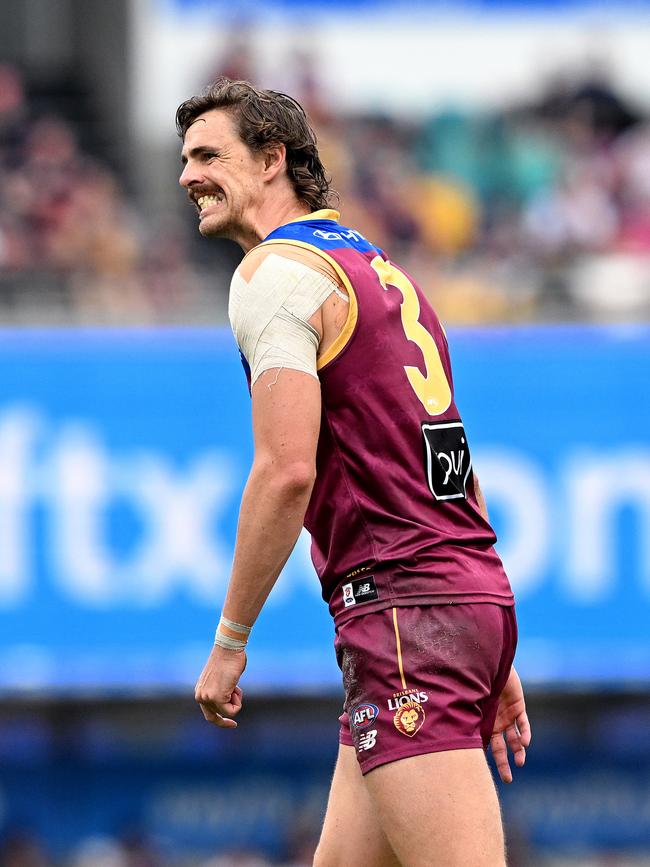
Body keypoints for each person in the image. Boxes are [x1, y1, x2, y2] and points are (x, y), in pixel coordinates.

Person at [177, 78, 530, 867]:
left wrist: (230, 641)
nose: (187, 175)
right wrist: (485, 641)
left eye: (208, 155)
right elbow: (446, 457)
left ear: (273, 160)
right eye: (185, 157)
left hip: (405, 616)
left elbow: (284, 472)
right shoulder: (375, 265)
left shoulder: (273, 274)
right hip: (446, 603)